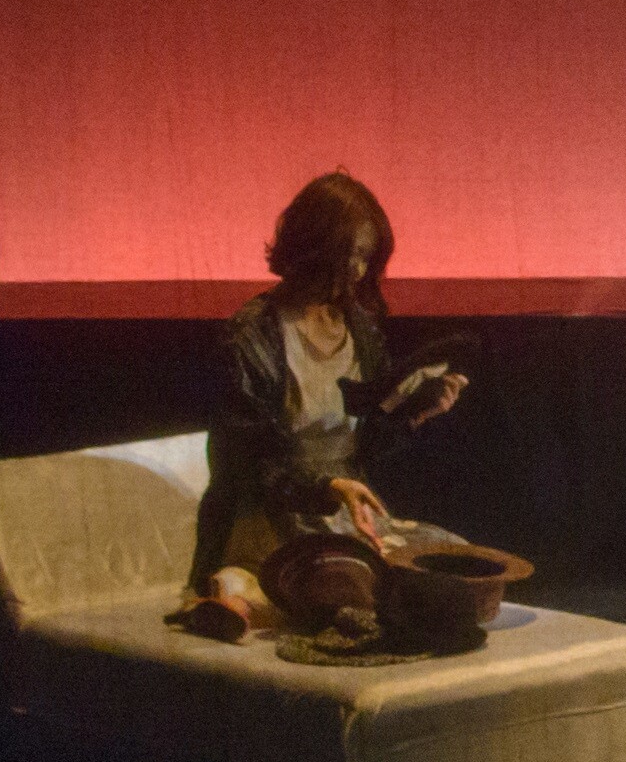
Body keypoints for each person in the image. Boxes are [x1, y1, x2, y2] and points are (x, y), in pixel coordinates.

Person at [179, 169, 467, 615]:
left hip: (341, 514)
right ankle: (240, 593)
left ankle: (253, 599)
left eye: (365, 257)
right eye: (346, 254)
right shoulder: (252, 335)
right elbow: (244, 465)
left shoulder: (360, 330)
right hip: (269, 511)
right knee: (345, 586)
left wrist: (416, 411)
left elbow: (366, 443)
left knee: (449, 562)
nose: (356, 270)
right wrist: (327, 486)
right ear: (311, 247)